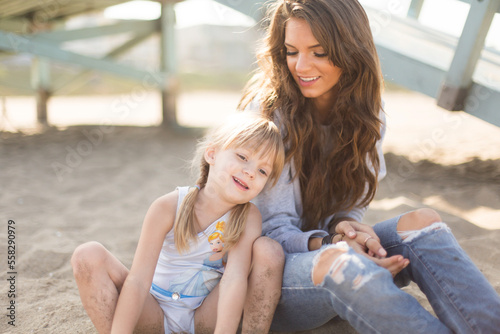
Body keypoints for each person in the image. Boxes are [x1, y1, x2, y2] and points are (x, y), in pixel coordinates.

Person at [239, 0, 500, 333]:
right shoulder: (267, 115)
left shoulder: (367, 114)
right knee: (342, 261)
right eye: (292, 51)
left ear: (350, 50)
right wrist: (333, 246)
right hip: (270, 279)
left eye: (318, 53)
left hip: (330, 254)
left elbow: (349, 207)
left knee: (422, 223)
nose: (301, 66)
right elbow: (273, 231)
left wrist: (350, 230)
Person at [71, 113, 285, 334]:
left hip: (203, 319)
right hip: (155, 313)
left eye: (262, 171)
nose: (250, 172)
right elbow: (137, 281)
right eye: (242, 157)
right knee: (88, 254)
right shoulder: (167, 207)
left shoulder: (249, 216)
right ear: (211, 154)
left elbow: (234, 279)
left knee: (268, 250)